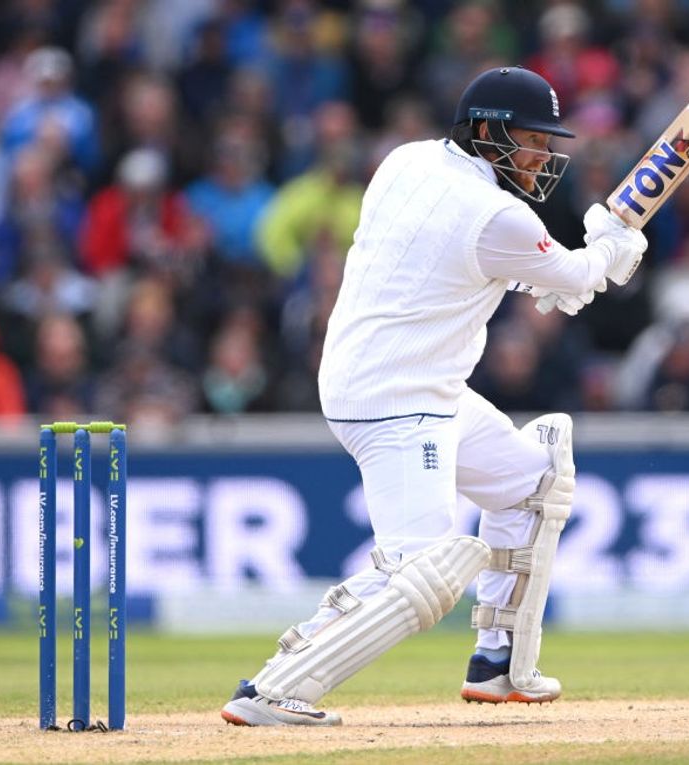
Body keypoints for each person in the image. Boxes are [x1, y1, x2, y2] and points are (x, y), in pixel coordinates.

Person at [220, 66, 646, 726]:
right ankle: (273, 690)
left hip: (413, 381)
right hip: (398, 397)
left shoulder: (408, 159)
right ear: (485, 134)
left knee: (532, 480)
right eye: (530, 140)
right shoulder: (498, 215)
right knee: (421, 570)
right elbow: (571, 279)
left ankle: (500, 663)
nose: (542, 157)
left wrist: (562, 267)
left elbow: (491, 265)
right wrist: (612, 250)